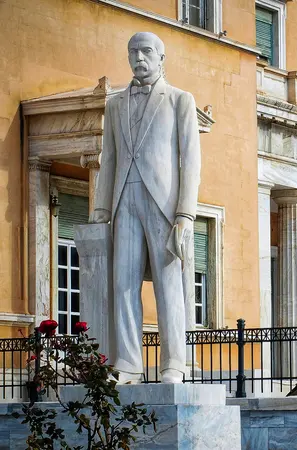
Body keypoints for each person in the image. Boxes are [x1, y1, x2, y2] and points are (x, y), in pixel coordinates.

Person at [90, 32, 201, 384]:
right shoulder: (114, 105)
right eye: (133, 52)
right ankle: (127, 363)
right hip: (124, 199)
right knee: (123, 283)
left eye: (146, 51)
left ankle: (174, 363)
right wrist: (101, 207)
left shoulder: (180, 100)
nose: (139, 58)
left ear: (161, 57)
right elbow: (109, 158)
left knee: (169, 286)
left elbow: (191, 160)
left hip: (164, 204)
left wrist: (185, 213)